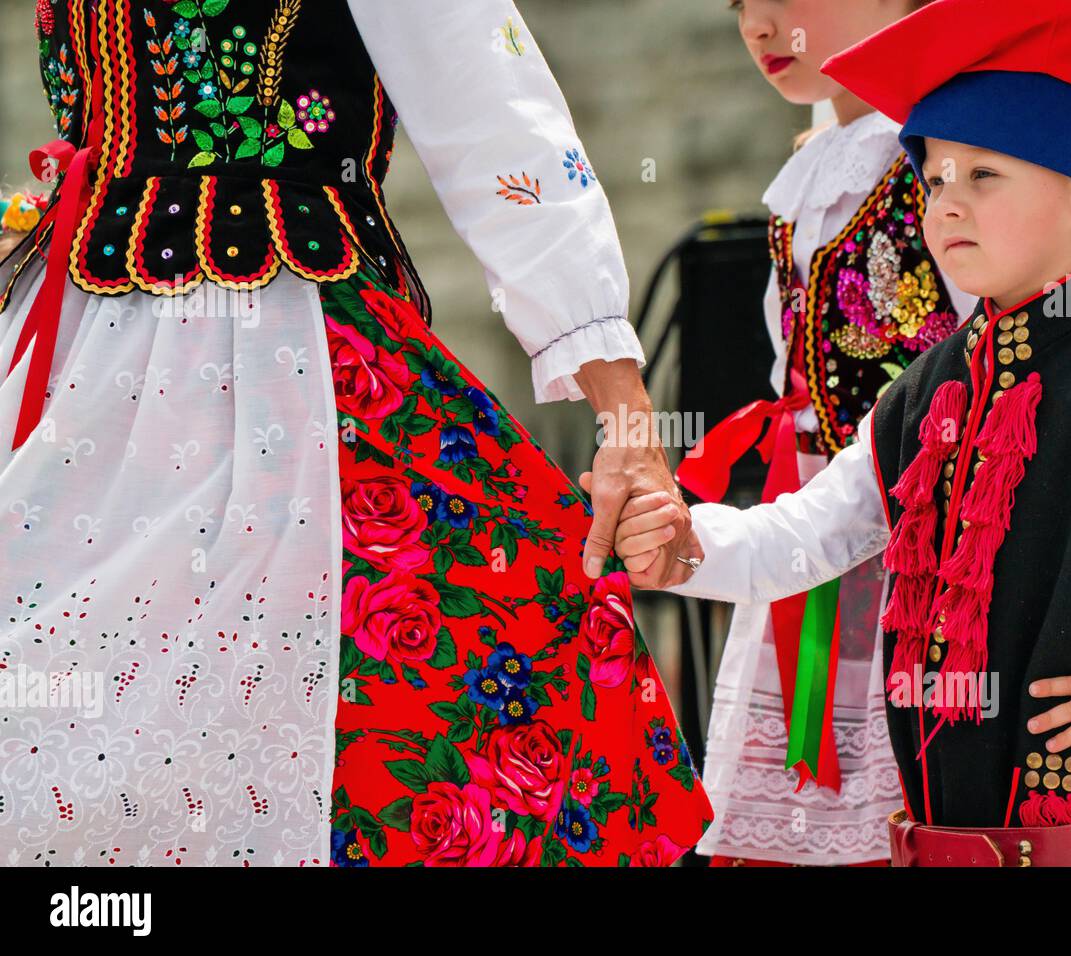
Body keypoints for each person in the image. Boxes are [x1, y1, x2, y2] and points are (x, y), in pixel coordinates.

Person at [0, 0, 710, 867]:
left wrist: (628, 424)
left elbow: (492, 108)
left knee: (478, 660)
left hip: (278, 355)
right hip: (76, 346)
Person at [613, 0, 1071, 866]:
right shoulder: (922, 394)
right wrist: (688, 542)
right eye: (934, 180)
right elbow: (809, 535)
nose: (945, 206)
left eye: (983, 177)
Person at [672, 0, 976, 868]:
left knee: (901, 803)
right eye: (737, 5)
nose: (757, 25)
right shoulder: (817, 164)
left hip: (920, 539)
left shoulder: (941, 160)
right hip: (809, 516)